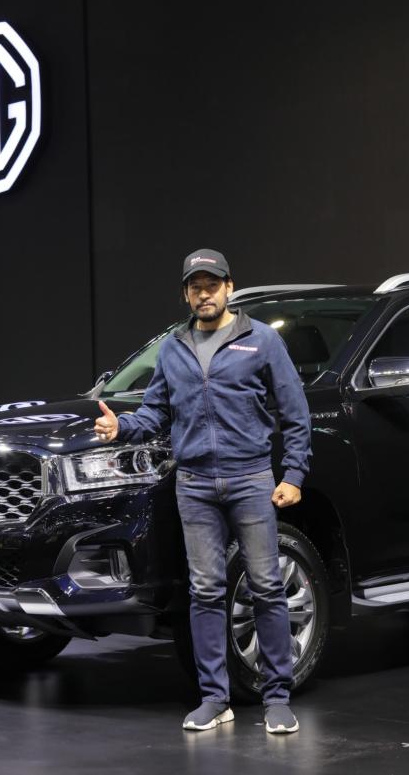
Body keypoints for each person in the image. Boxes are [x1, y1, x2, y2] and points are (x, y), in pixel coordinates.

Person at [94, 248, 312, 734]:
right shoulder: (174, 347)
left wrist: (293, 475)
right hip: (193, 484)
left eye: (212, 284)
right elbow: (155, 413)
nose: (204, 293)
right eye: (196, 286)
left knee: (266, 586)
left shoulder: (261, 341)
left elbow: (295, 412)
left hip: (251, 478)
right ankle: (215, 698)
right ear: (186, 294)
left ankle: (278, 697)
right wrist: (121, 427)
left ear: (229, 287)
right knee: (206, 591)